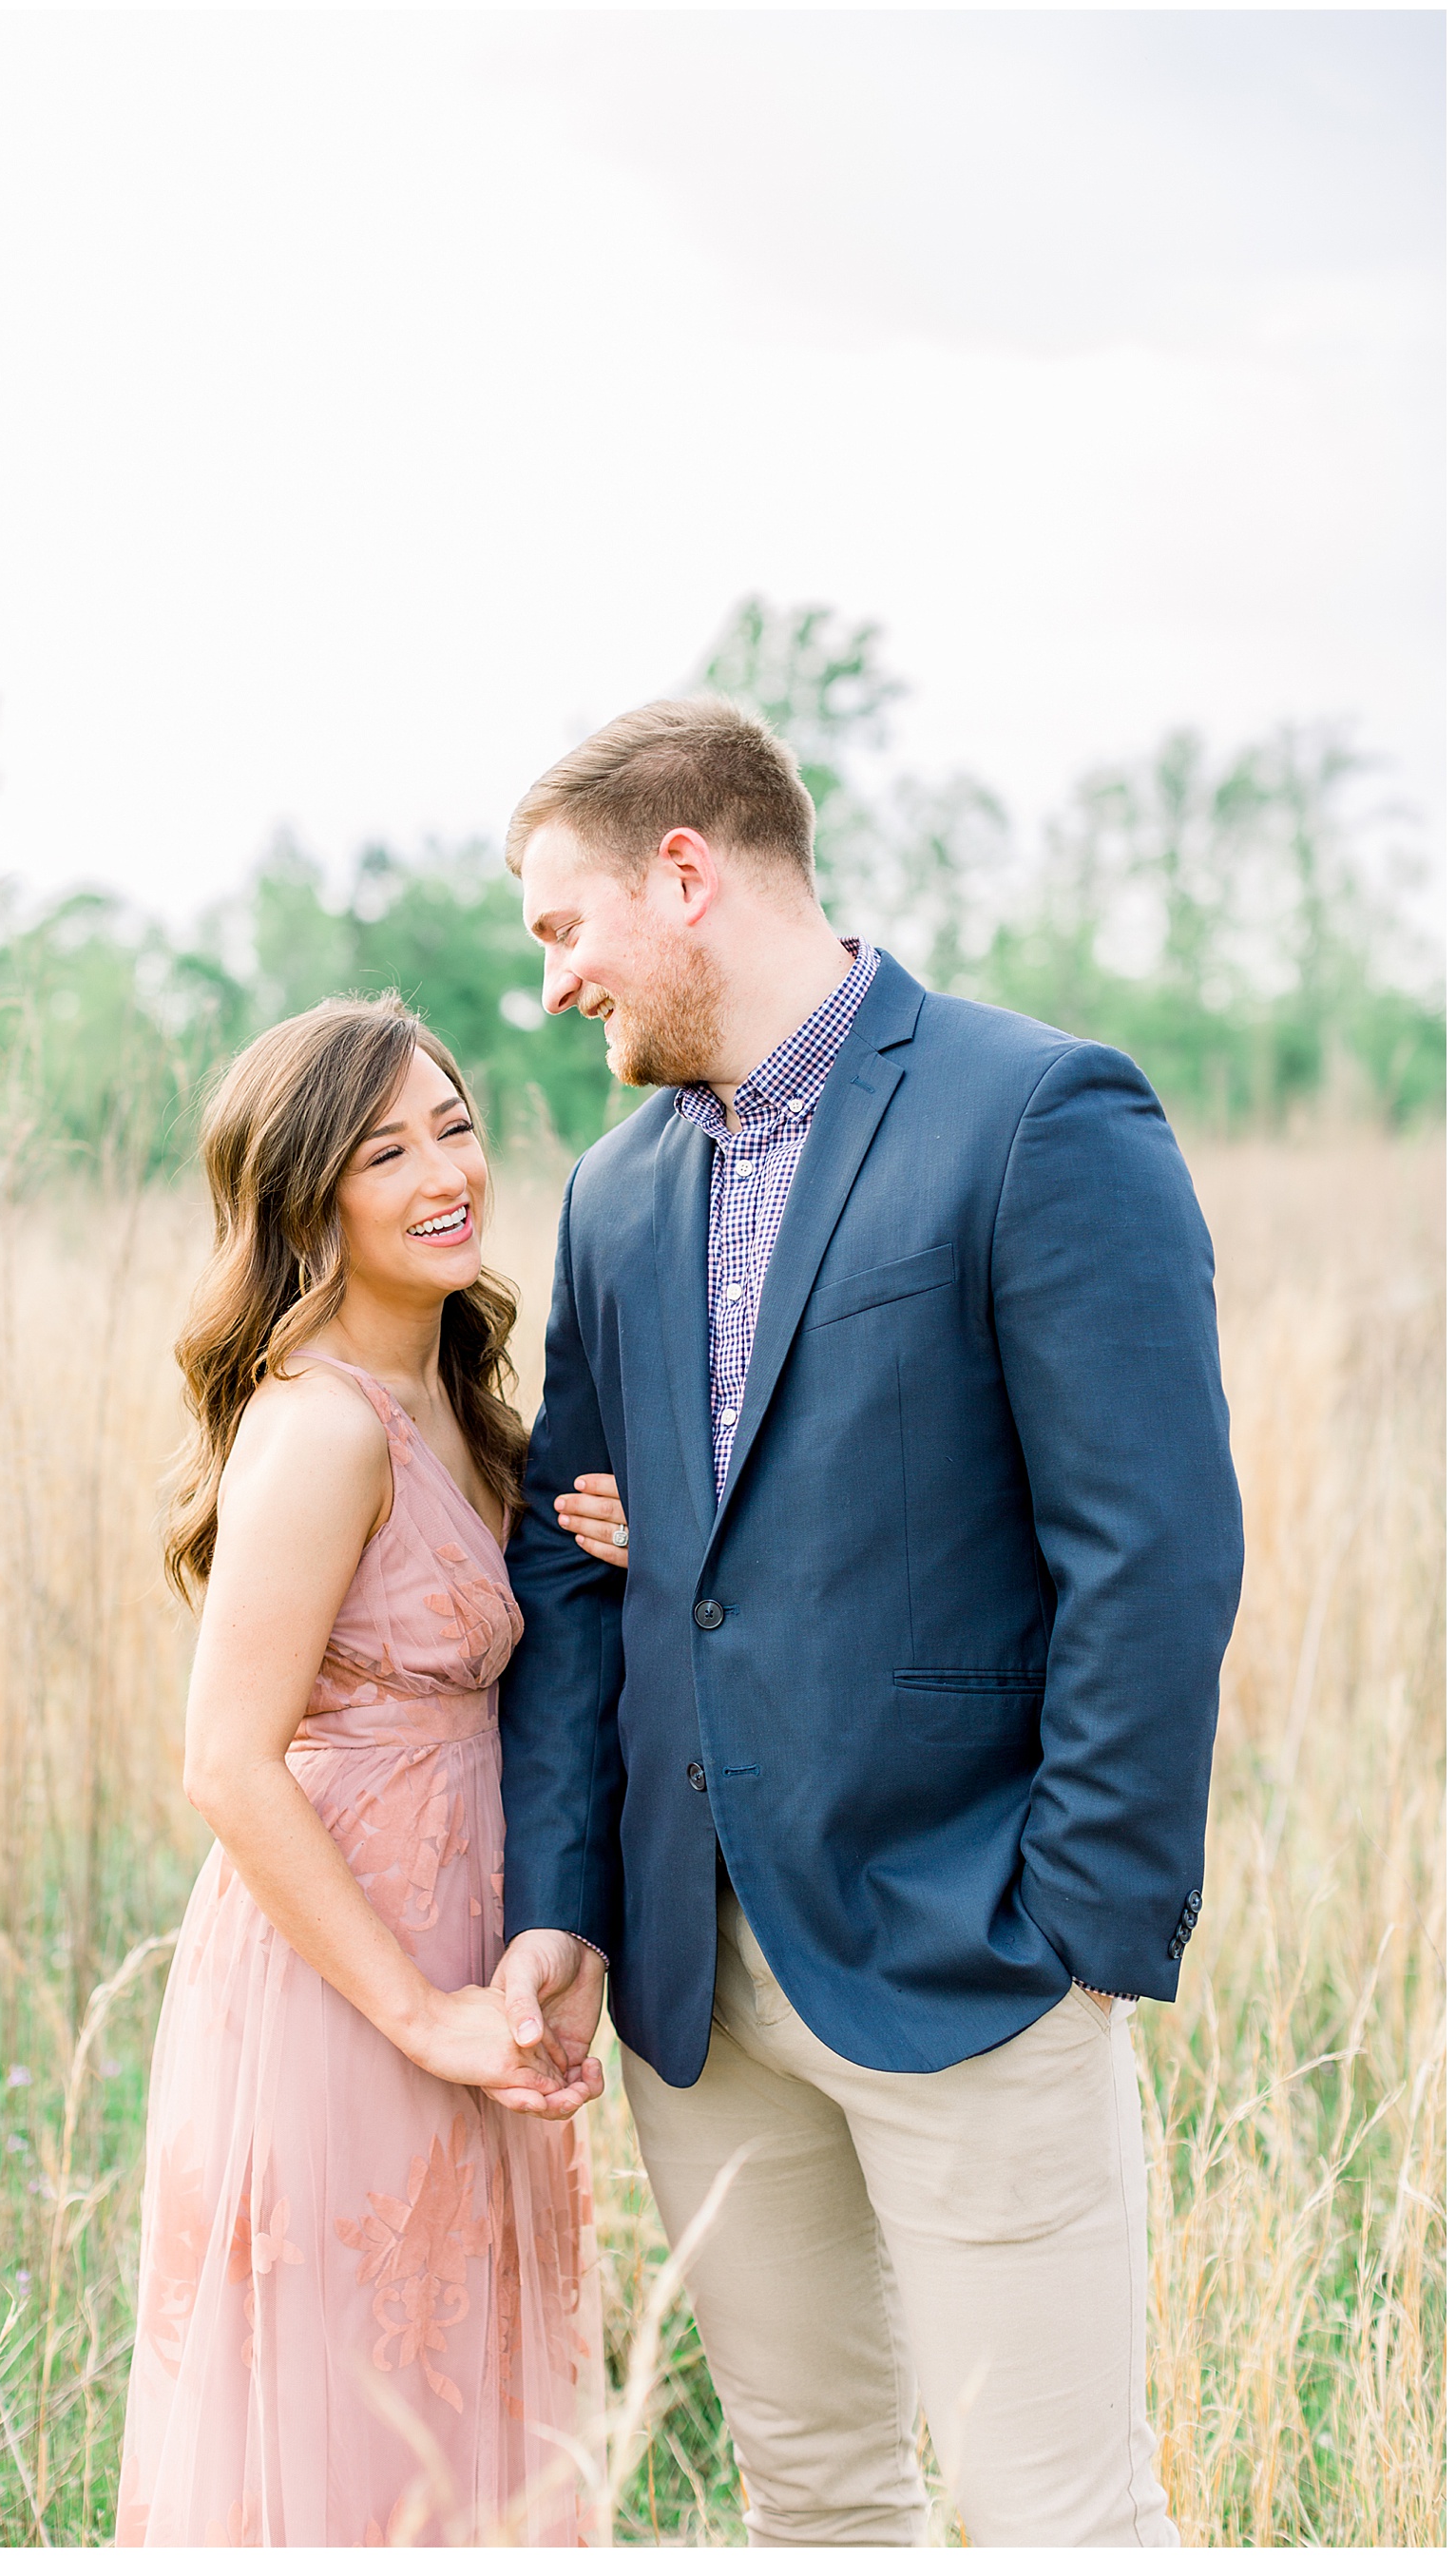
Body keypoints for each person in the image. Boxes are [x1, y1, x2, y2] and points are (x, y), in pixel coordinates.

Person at [492, 698, 1246, 2547]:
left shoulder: (1036, 1113)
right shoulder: (614, 1193)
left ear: (685, 874)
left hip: (971, 1955)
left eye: (559, 926)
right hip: (702, 1982)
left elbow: (1153, 1552)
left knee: (1054, 2509)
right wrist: (566, 1899)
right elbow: (582, 1572)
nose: (550, 985)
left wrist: (1078, 1922)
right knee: (813, 2497)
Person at [115, 997, 613, 2550]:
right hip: (347, 1983)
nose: (442, 1170)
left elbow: (545, 1686)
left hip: (481, 1951)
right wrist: (419, 2011)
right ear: (308, 1196)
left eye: (454, 1125)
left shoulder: (468, 1411)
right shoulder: (324, 1426)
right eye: (385, 1150)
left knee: (466, 2410)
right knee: (353, 2428)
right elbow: (226, 1758)